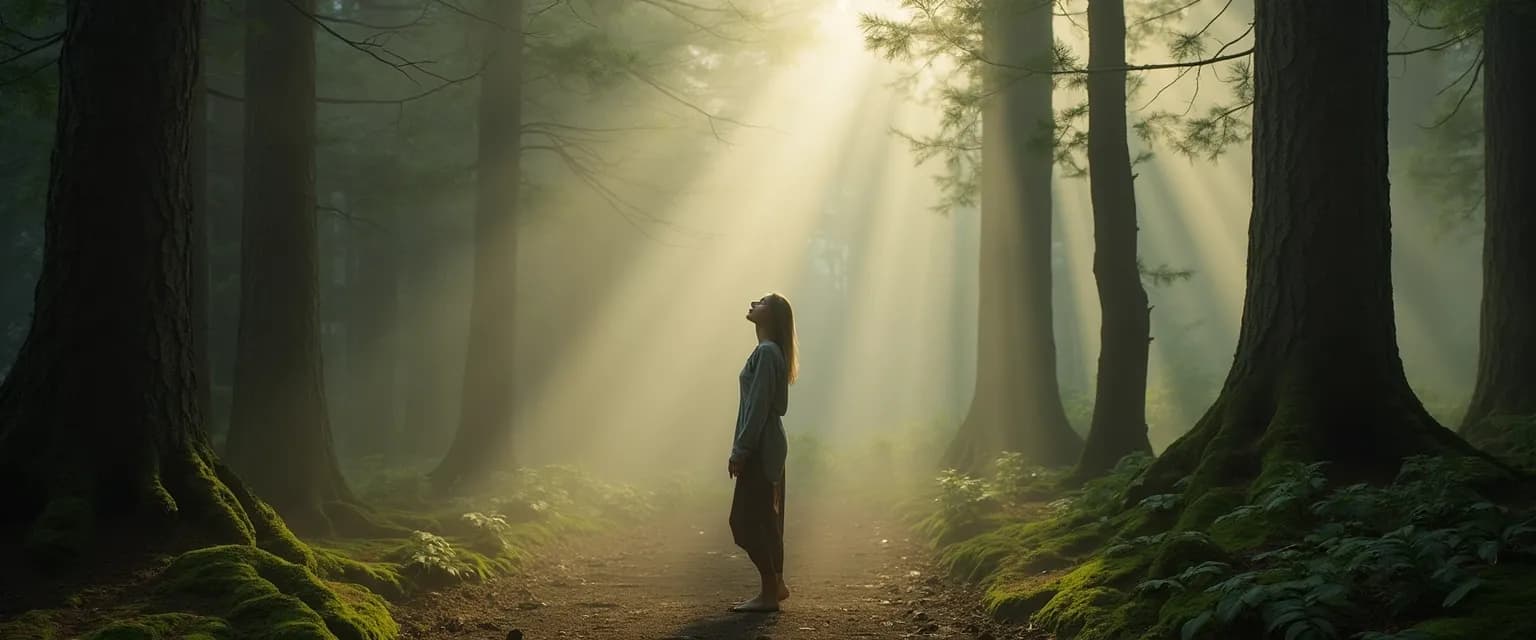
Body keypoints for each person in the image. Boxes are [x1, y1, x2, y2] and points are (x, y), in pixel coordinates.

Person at [727, 292, 798, 613]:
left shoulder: (767, 353)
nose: (754, 303)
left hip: (761, 448)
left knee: (744, 521)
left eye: (762, 301)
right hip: (766, 445)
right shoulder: (767, 352)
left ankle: (769, 591)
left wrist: (741, 450)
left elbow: (757, 409)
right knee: (765, 521)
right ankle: (775, 586)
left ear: (772, 316)